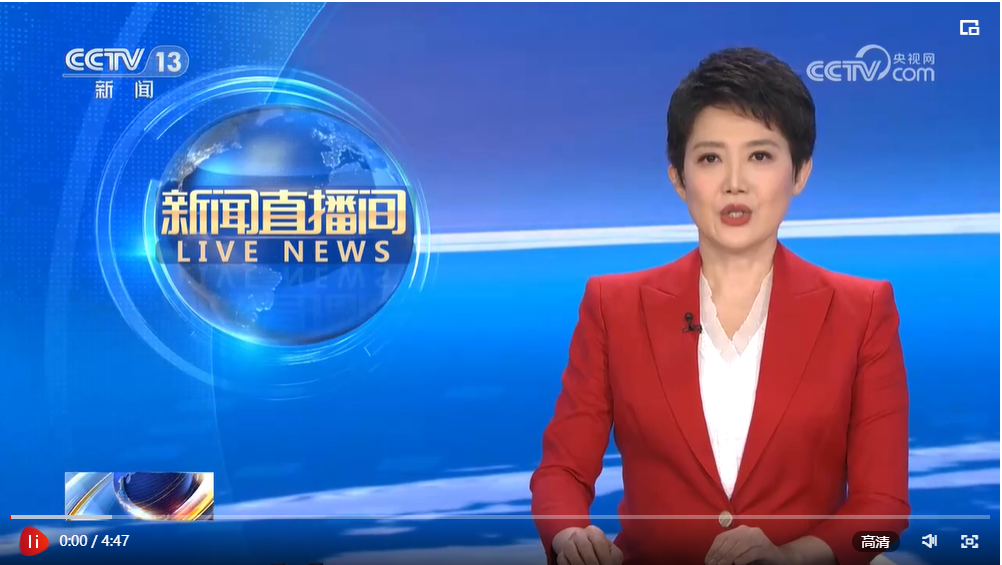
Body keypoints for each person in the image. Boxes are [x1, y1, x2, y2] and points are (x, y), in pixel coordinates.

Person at [529, 47, 910, 565]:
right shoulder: (612, 306)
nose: (735, 182)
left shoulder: (863, 310)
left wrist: (794, 558)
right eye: (710, 158)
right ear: (679, 179)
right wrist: (569, 534)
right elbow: (563, 472)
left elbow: (883, 520)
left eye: (760, 156)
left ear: (800, 173)